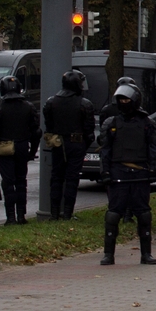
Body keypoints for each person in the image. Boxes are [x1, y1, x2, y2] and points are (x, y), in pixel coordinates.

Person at [98, 83, 156, 265]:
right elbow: (105, 150)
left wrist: (154, 169)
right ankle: (108, 254)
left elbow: (154, 148)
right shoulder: (112, 123)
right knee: (113, 214)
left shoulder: (147, 123)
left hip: (140, 173)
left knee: (144, 214)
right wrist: (105, 171)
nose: (124, 103)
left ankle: (146, 254)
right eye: (121, 100)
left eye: (127, 100)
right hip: (118, 172)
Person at [0, 75, 40, 225]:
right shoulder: (28, 107)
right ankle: (21, 215)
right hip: (22, 146)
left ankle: (10, 217)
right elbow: (36, 132)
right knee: (21, 181)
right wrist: (32, 152)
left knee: (8, 183)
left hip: (4, 149)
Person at [42, 70, 96, 221]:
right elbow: (89, 130)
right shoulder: (84, 104)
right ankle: (67, 213)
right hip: (76, 144)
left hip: (58, 143)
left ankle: (54, 213)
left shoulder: (51, 102)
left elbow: (49, 125)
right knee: (72, 179)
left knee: (56, 177)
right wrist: (83, 145)